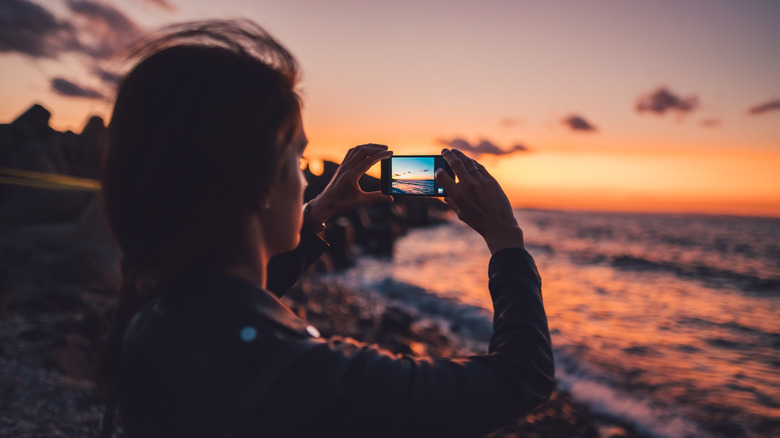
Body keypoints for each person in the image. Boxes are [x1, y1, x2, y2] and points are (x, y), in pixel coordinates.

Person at [99, 19, 554, 438]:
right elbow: (521, 377)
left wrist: (318, 211)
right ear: (259, 184)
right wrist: (506, 242)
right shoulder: (304, 374)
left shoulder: (159, 311)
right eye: (298, 159)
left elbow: (231, 299)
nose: (305, 178)